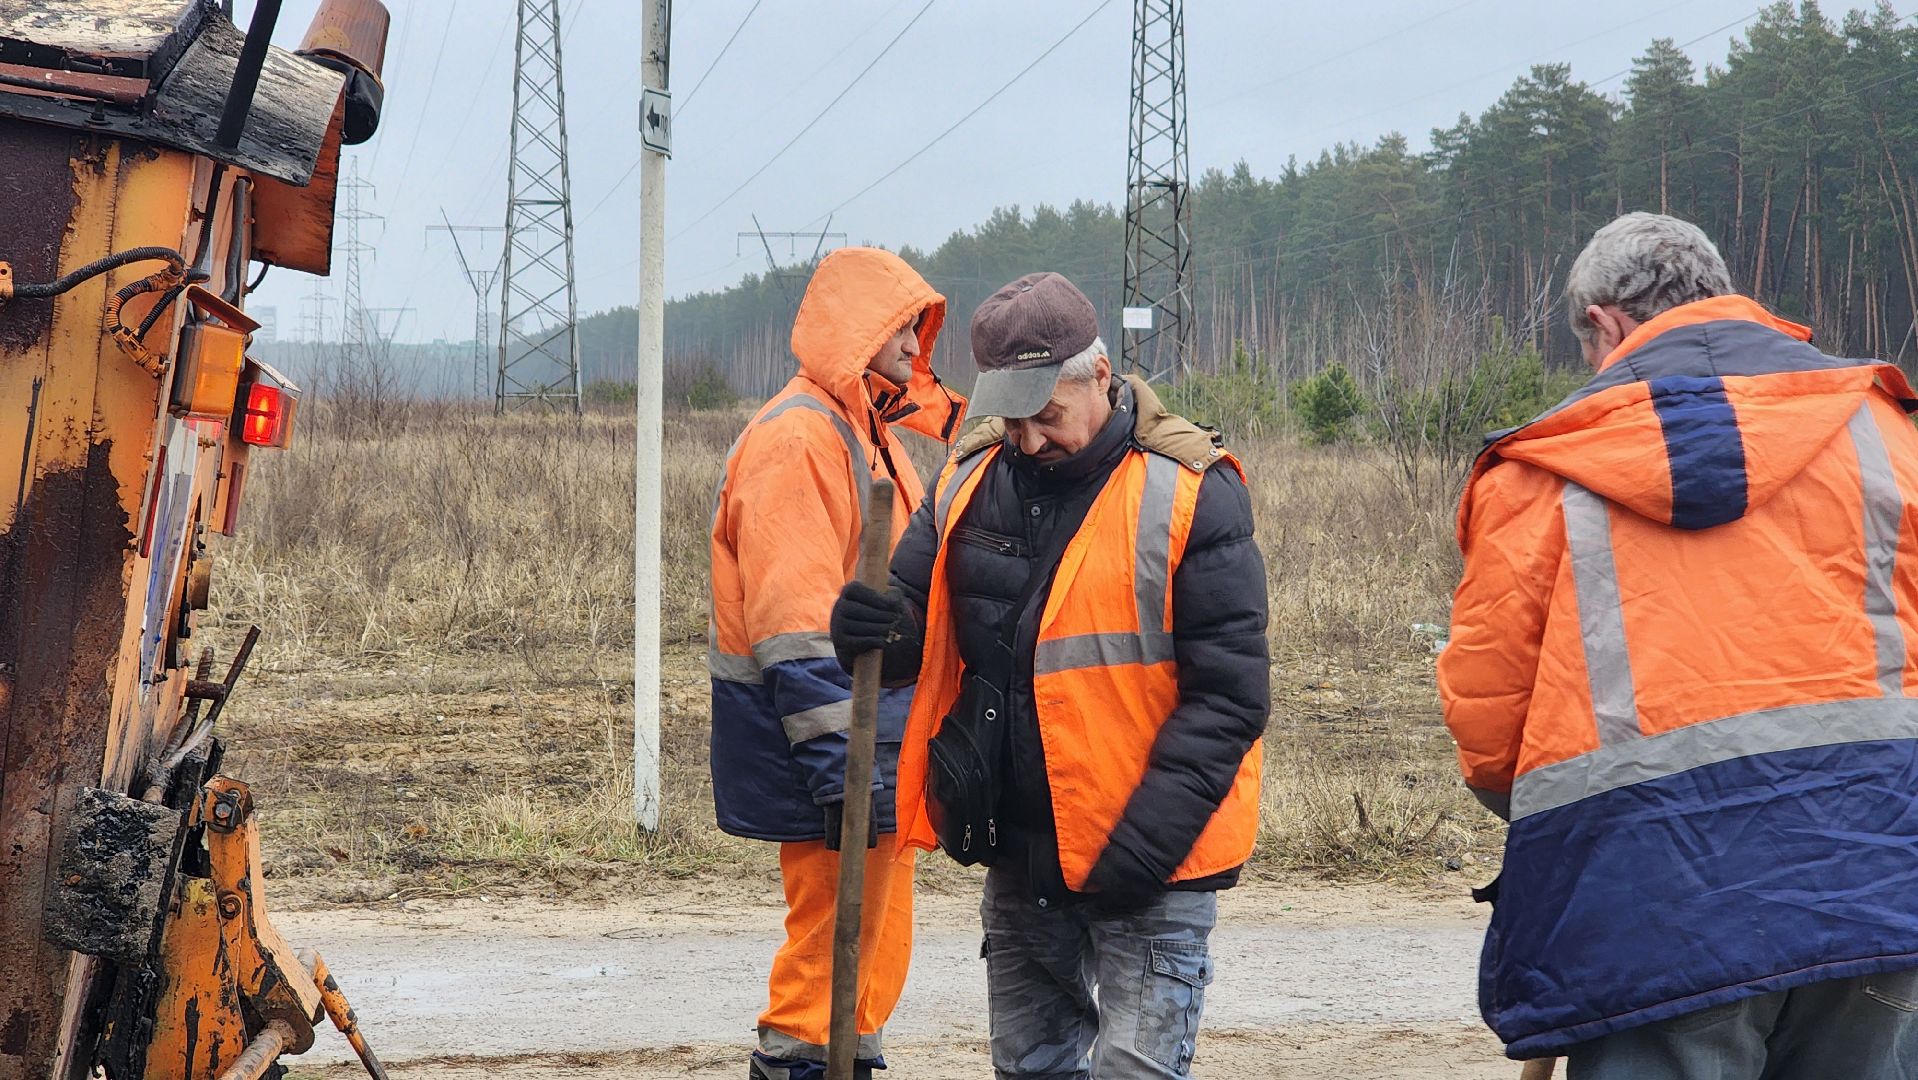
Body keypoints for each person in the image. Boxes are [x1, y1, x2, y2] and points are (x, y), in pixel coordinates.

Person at [1439, 211, 1918, 1078]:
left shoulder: (1539, 474)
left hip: (1648, 900)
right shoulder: (1884, 432)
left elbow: (1489, 716)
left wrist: (1559, 830)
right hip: (1879, 872)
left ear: (1605, 323)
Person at [830, 272, 1269, 1078]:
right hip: (1021, 852)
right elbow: (904, 628)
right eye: (1012, 416)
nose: (1028, 439)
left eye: (1048, 414)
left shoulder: (1194, 494)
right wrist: (864, 626)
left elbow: (1231, 699)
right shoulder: (965, 482)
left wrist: (1138, 852)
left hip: (1153, 861)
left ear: (1100, 374)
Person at [707, 246, 966, 1080]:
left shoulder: (867, 432)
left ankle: (846, 1062)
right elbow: (795, 628)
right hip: (831, 756)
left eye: (918, 328)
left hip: (875, 748)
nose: (915, 345)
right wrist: (838, 774)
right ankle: (805, 1069)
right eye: (900, 326)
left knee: (869, 954)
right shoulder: (801, 439)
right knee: (825, 962)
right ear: (857, 332)